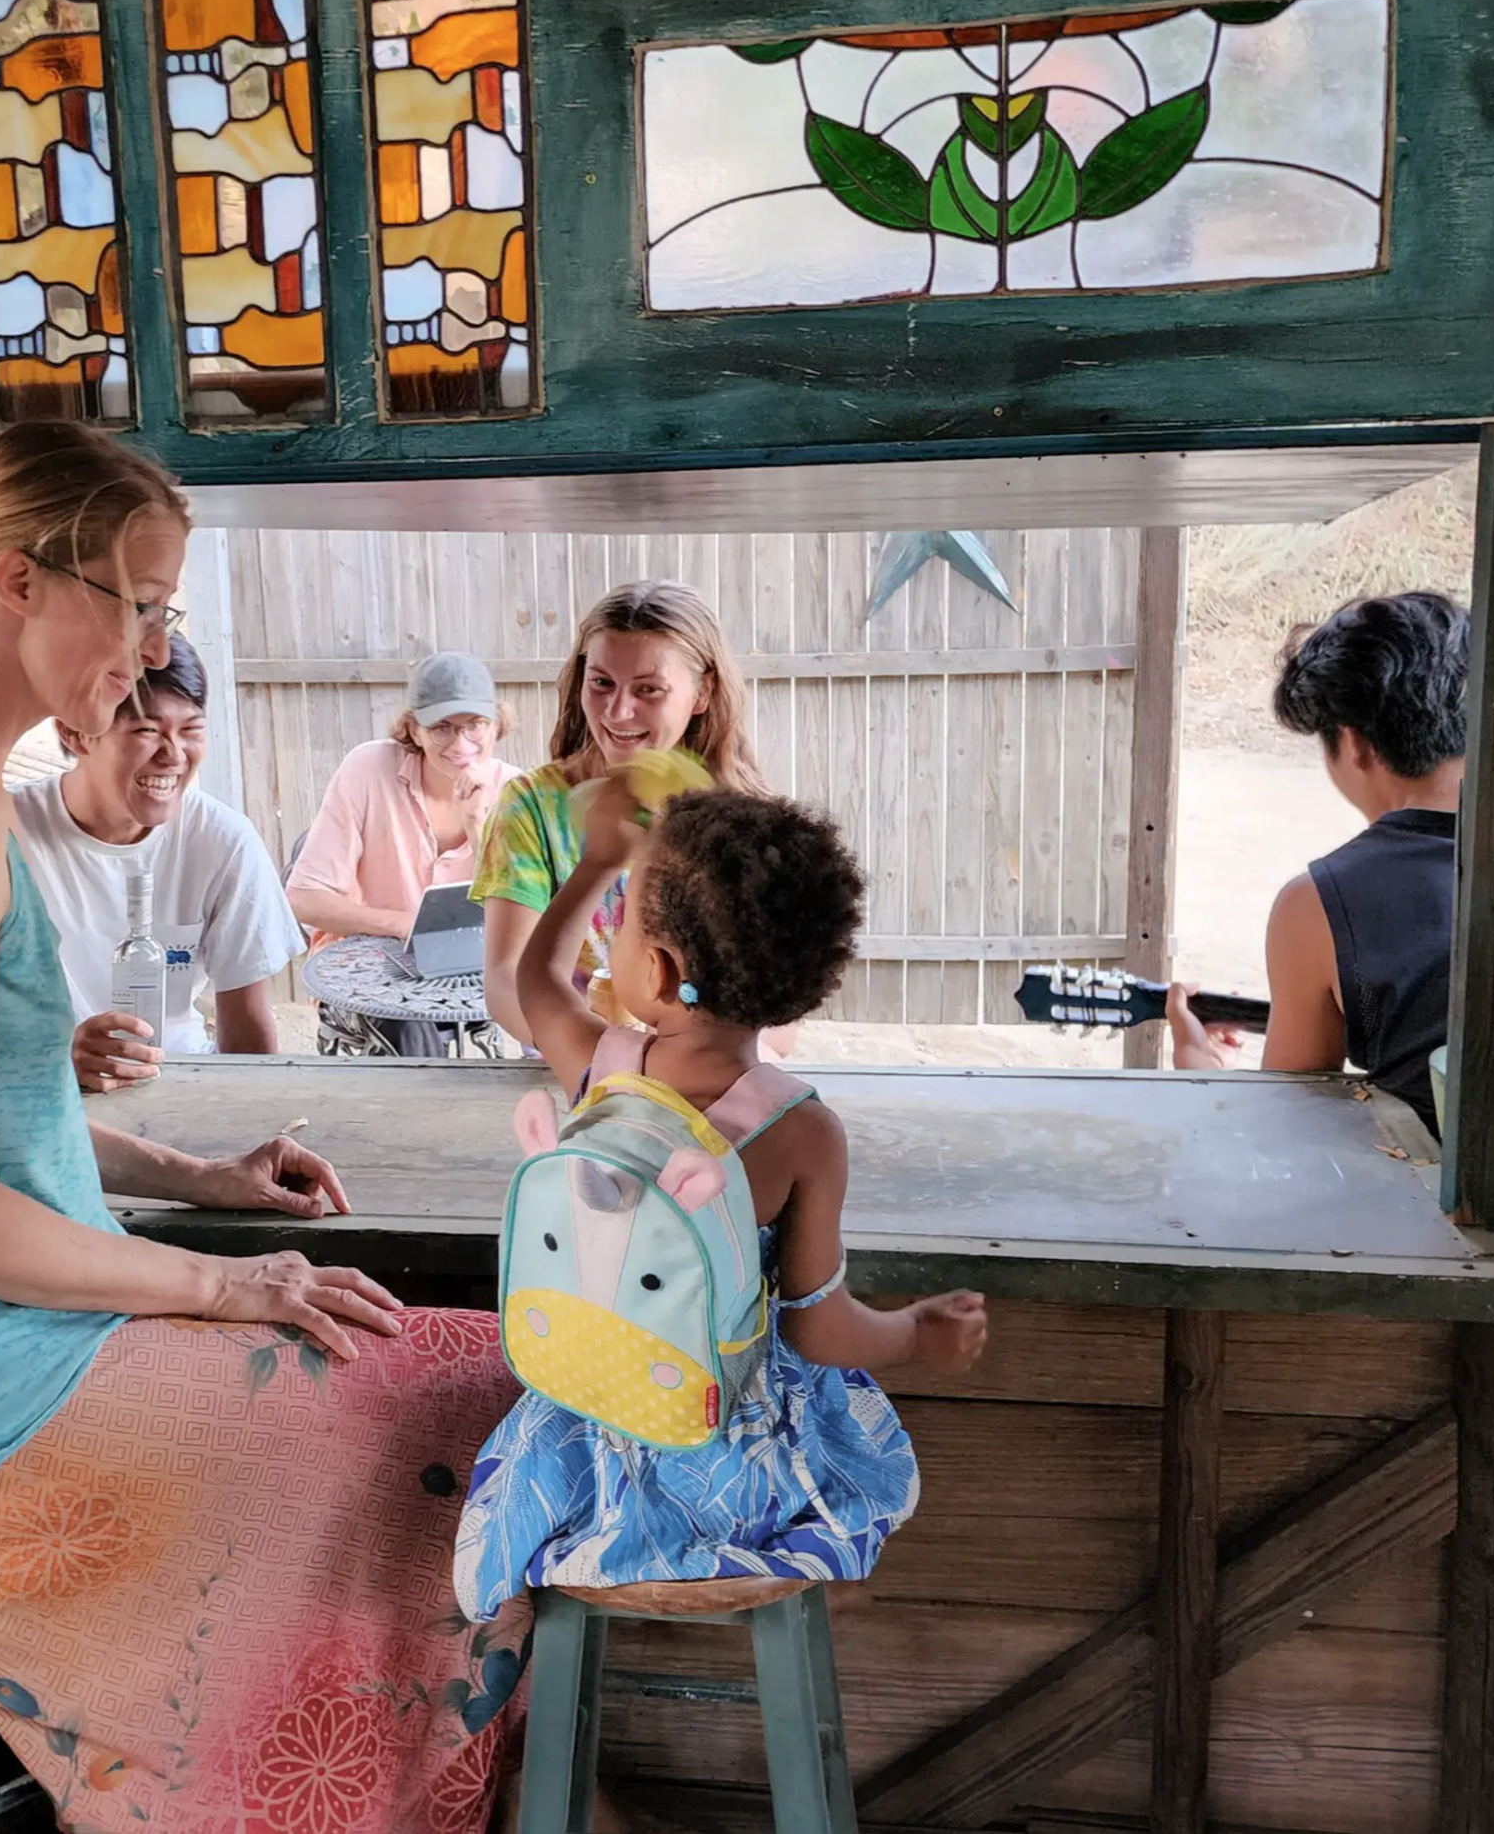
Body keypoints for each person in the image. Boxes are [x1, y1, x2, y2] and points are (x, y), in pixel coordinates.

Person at [0, 421, 523, 1830]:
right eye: (142, 603)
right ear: (20, 583)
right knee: (475, 1402)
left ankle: (337, 1781)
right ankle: (326, 1790)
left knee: (447, 1384)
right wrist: (223, 1286)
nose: (154, 648)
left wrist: (194, 1177)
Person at [453, 770, 987, 1616]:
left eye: (623, 919)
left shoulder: (603, 1069)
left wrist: (594, 864)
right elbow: (819, 1329)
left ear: (658, 968)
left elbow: (537, 980)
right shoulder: (803, 1132)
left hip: (585, 1434)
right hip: (732, 1463)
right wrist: (917, 1331)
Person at [1168, 590, 1467, 1133]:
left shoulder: (1318, 906)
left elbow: (1289, 1133)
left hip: (1430, 1189)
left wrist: (1201, 1068)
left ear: (1353, 744)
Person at [472, 581, 763, 1048]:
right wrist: (607, 1063)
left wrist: (692, 1064)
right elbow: (506, 979)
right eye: (602, 683)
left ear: (703, 692)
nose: (619, 711)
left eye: (649, 689)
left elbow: (775, 1006)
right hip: (573, 1076)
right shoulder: (531, 805)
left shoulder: (739, 817)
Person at [10, 634, 300, 1091]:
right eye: (146, 730)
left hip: (183, 1083)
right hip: (44, 1092)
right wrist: (54, 1057)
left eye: (191, 730)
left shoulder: (223, 840)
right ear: (73, 732)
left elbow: (249, 1039)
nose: (174, 755)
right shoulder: (5, 833)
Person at [286, 651, 520, 1057]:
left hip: (468, 971)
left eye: (475, 725)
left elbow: (522, 917)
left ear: (496, 724)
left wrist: (477, 825)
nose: (461, 744)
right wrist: (402, 924)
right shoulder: (367, 768)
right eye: (442, 728)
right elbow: (303, 899)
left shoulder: (516, 790)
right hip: (364, 966)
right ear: (414, 729)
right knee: (411, 1027)